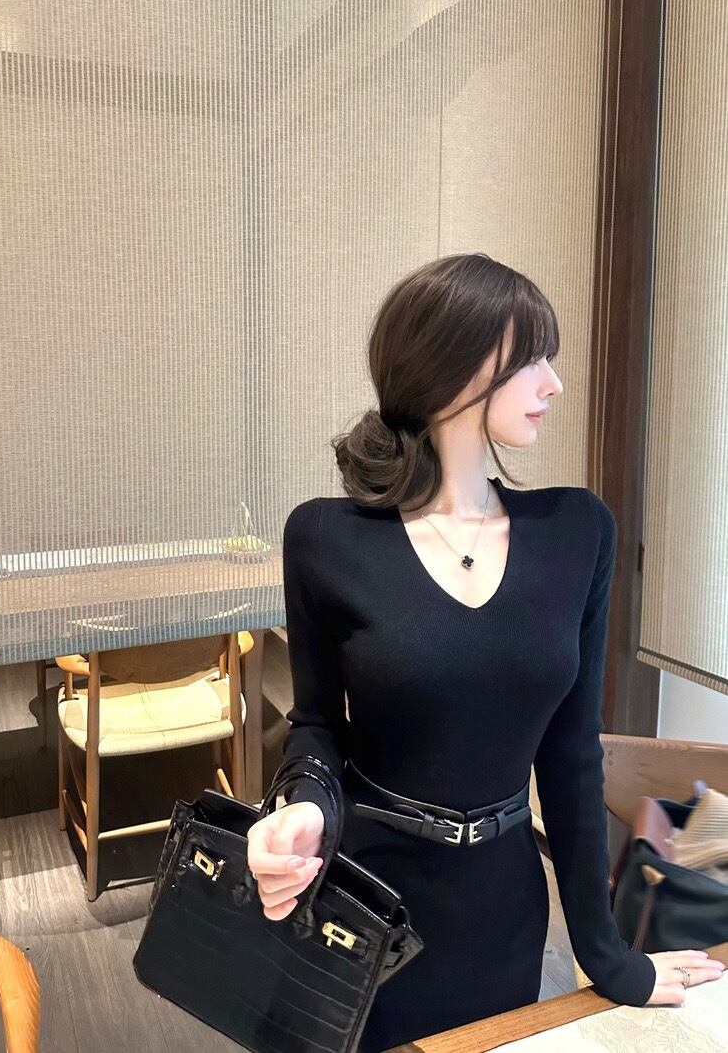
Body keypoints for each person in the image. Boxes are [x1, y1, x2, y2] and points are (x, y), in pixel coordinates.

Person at [246, 253, 726, 1051]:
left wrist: (606, 955)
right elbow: (317, 725)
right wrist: (303, 805)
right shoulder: (327, 536)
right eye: (532, 357)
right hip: (362, 896)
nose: (553, 384)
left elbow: (571, 756)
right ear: (453, 363)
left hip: (503, 908)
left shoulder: (577, 530)